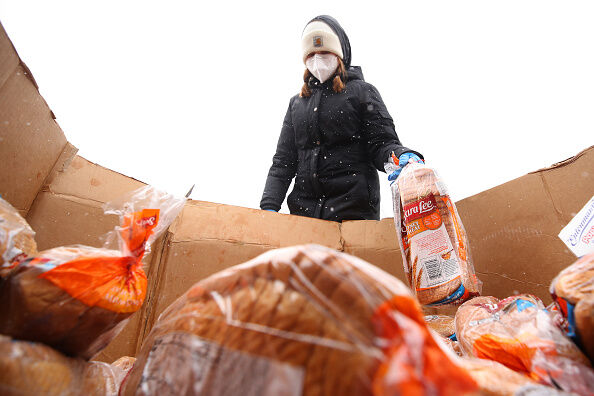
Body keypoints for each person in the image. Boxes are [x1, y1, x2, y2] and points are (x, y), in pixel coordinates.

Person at [260, 15, 423, 222]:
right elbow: (283, 163)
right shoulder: (297, 104)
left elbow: (381, 144)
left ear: (340, 54)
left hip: (353, 215)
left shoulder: (362, 93)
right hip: (304, 218)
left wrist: (401, 156)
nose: (318, 60)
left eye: (325, 52)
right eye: (311, 55)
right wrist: (268, 206)